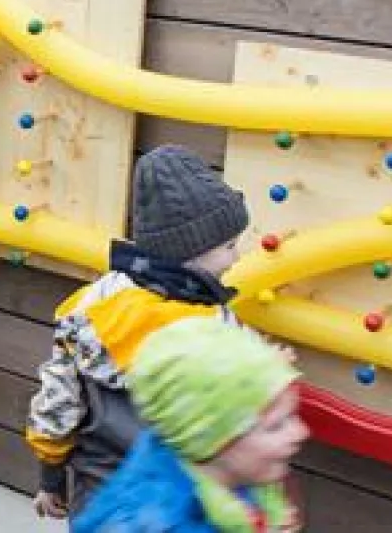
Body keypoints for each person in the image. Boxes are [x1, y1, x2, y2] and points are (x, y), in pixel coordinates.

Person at [25, 145, 251, 518]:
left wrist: (50, 475)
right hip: (177, 499)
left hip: (98, 494)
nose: (236, 258)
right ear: (189, 254)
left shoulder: (91, 307)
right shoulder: (210, 327)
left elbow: (57, 400)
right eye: (229, 246)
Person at [73, 316, 307, 532]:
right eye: (275, 426)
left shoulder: (222, 470)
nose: (301, 432)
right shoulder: (155, 523)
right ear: (214, 438)